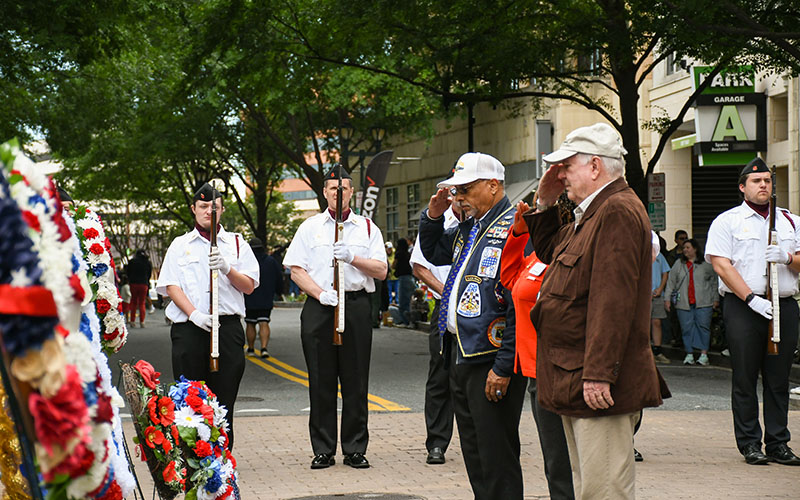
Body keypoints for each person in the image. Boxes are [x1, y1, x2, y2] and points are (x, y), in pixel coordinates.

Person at [525, 123, 665, 499]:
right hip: (577, 375)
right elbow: (552, 252)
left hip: (595, 383)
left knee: (604, 492)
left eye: (566, 166)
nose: (560, 175)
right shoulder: (594, 210)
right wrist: (545, 205)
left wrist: (599, 374)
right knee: (591, 486)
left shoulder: (615, 210)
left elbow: (612, 302)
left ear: (594, 167)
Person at [419, 152, 524, 500]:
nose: (458, 197)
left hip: (490, 358)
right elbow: (434, 252)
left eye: (464, 189)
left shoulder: (515, 226)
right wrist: (434, 214)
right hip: (460, 352)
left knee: (497, 455)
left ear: (493, 185)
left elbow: (517, 307)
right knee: (475, 452)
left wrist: (504, 366)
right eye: (454, 191)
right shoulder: (472, 226)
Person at [283, 166, 387, 470]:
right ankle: (323, 449)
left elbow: (381, 270)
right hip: (320, 307)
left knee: (355, 381)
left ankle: (355, 448)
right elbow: (296, 268)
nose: (337, 193)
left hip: (355, 305)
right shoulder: (310, 227)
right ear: (325, 192)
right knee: (321, 380)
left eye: (343, 188)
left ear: (352, 192)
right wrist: (319, 293)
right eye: (332, 189)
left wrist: (354, 258)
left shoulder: (367, 228)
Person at [705, 156, 800, 466]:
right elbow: (721, 263)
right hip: (744, 307)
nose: (764, 186)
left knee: (778, 379)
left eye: (768, 181)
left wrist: (787, 257)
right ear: (742, 187)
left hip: (783, 305)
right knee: (745, 377)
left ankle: (778, 442)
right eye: (757, 182)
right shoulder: (728, 221)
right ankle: (749, 443)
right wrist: (749, 298)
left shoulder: (790, 221)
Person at [156, 183, 259, 451]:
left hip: (226, 327)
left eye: (214, 207)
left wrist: (227, 268)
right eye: (203, 207)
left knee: (224, 398)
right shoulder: (180, 245)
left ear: (222, 210)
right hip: (190, 327)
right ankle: (192, 456)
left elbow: (249, 285)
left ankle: (221, 458)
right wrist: (194, 315)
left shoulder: (237, 243)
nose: (208, 212)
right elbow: (171, 285)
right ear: (194, 209)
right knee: (189, 397)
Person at [500, 196, 574, 500]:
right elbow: (508, 279)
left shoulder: (572, 253)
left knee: (575, 462)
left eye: (543, 214)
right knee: (556, 463)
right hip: (535, 373)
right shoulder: (536, 256)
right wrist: (518, 234)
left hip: (566, 371)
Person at [410, 198, 462, 465]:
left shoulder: (482, 224)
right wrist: (448, 291)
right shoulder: (437, 224)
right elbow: (419, 266)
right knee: (440, 374)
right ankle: (437, 442)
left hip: (478, 309)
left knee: (472, 374)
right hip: (445, 306)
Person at [665, 238, 719, 366]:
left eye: (688, 247)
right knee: (686, 328)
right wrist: (667, 298)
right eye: (684, 248)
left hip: (704, 302)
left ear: (695, 249)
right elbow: (671, 282)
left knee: (703, 327)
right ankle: (689, 354)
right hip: (684, 302)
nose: (685, 250)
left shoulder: (706, 264)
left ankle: (703, 354)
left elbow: (714, 282)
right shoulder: (679, 264)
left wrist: (715, 298)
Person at [244, 237, 283, 359]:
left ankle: (250, 348)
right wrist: (279, 292)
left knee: (250, 323)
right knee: (264, 321)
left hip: (249, 296)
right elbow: (279, 278)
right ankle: (264, 348)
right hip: (266, 296)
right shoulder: (271, 261)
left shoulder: (246, 261)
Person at [651, 252, 671, 364]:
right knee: (643, 324)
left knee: (657, 322)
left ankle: (657, 351)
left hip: (658, 294)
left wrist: (660, 288)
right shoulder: (639, 252)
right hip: (643, 294)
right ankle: (646, 351)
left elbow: (665, 273)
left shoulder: (659, 255)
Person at [391, 238, 414, 326]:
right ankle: (410, 320)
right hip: (410, 277)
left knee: (402, 300)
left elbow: (393, 265)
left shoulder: (399, 254)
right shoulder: (408, 254)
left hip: (402, 278)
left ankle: (404, 321)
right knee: (408, 300)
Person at [128, 249, 152, 328]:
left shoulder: (132, 261)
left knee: (134, 302)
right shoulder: (147, 262)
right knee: (142, 303)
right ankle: (142, 321)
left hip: (133, 283)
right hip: (143, 283)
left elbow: (128, 271)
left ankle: (132, 321)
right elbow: (149, 274)